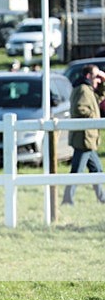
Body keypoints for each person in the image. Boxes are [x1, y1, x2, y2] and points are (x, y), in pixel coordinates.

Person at [62, 64, 105, 206]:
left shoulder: (87, 89)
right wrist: (94, 117)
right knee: (77, 171)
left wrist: (103, 82)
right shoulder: (82, 89)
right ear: (88, 76)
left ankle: (101, 198)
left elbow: (99, 98)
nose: (98, 79)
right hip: (84, 138)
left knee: (96, 169)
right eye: (96, 76)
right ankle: (67, 199)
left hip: (88, 139)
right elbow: (79, 109)